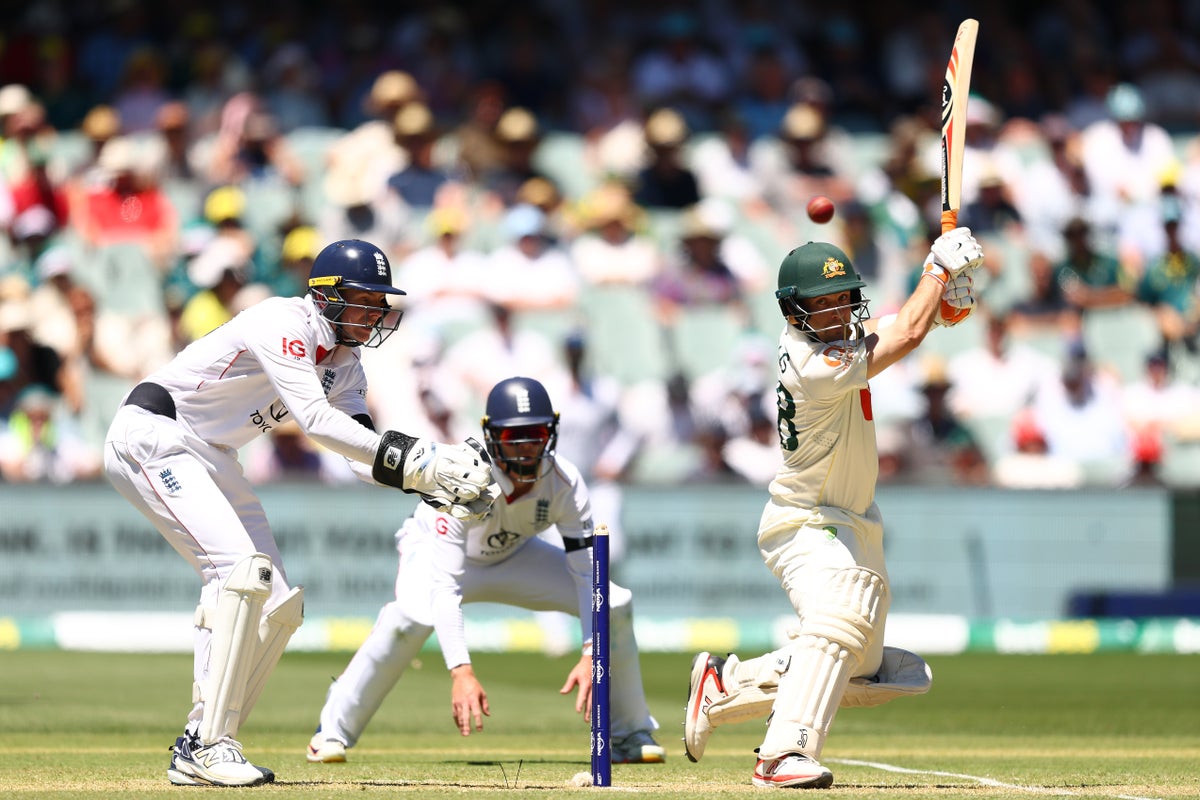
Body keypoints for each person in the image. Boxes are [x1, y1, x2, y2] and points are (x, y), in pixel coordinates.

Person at [102, 239, 499, 788]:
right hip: (154, 435)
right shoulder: (280, 321)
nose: (374, 313)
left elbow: (359, 451)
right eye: (363, 300)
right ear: (326, 295)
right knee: (240, 571)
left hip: (214, 454)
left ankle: (205, 739)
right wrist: (423, 464)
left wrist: (432, 481)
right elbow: (313, 421)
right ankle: (209, 745)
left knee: (278, 601)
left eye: (378, 302)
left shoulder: (348, 363)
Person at [682, 228, 985, 788]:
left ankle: (724, 688)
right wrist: (937, 274)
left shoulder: (838, 342)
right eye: (819, 303)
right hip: (805, 521)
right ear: (793, 311)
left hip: (854, 524)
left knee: (863, 670)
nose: (833, 310)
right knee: (842, 612)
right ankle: (781, 755)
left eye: (841, 297)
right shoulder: (810, 364)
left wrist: (942, 309)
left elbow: (899, 328)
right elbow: (902, 337)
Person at [306, 376, 665, 765]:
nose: (528, 449)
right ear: (492, 436)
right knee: (409, 619)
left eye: (537, 434)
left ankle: (630, 733)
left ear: (552, 432)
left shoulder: (565, 482)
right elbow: (445, 585)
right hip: (433, 551)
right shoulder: (466, 475)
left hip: (513, 554)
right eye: (515, 437)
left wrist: (591, 652)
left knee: (613, 602)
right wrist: (461, 671)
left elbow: (586, 574)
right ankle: (331, 732)